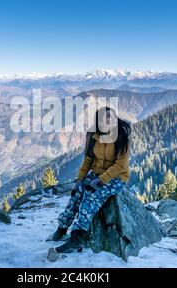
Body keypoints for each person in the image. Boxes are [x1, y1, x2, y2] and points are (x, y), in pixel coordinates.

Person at [50, 106, 131, 253]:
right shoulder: (93, 135)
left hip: (116, 177)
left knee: (91, 196)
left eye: (111, 118)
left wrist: (100, 181)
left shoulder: (121, 137)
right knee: (77, 193)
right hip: (96, 173)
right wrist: (79, 179)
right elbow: (88, 160)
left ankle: (77, 237)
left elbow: (120, 165)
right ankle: (62, 228)